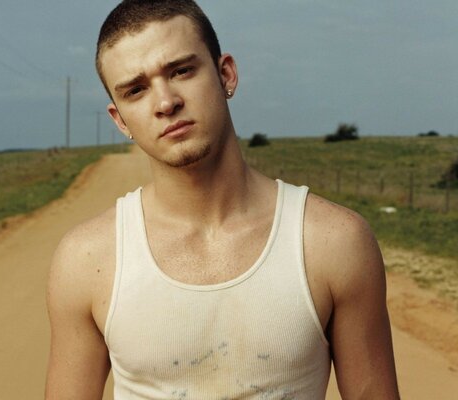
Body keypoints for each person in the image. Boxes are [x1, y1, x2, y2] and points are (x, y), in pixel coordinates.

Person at [45, 1, 400, 399]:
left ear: (225, 73)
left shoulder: (333, 242)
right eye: (136, 90)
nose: (165, 103)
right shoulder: (86, 260)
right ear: (120, 119)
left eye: (181, 71)